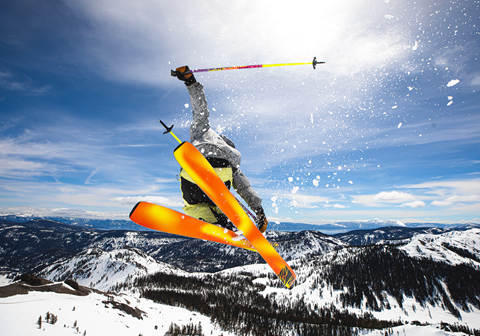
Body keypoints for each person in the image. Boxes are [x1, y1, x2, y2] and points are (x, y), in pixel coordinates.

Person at [172, 65, 268, 233]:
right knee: (219, 200)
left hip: (195, 169)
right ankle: (223, 221)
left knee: (191, 204)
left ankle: (212, 220)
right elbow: (244, 188)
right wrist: (259, 211)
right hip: (223, 172)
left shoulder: (203, 130)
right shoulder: (231, 158)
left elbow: (200, 109)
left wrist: (191, 82)